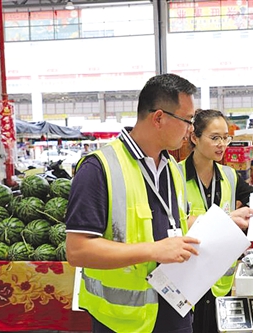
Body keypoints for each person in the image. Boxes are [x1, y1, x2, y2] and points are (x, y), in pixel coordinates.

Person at [65, 73, 201, 333]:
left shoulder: (172, 168)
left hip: (176, 309)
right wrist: (153, 250)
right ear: (159, 118)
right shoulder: (99, 168)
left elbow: (175, 223)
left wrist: (224, 224)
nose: (190, 129)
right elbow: (78, 250)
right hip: (123, 321)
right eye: (187, 120)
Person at [178, 109, 253, 333]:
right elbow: (175, 222)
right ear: (194, 137)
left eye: (225, 137)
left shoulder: (230, 177)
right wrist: (225, 219)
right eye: (215, 138)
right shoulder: (174, 176)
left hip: (218, 286)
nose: (222, 144)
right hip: (185, 282)